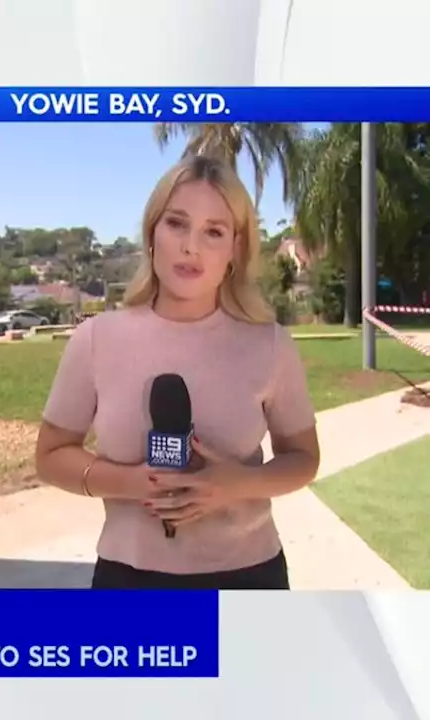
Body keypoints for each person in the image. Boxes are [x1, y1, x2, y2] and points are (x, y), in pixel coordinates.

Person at [33, 154, 321, 590]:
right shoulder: (95, 339)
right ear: (152, 233)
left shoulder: (271, 344)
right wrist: (130, 483)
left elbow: (304, 458)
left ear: (234, 250)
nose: (191, 246)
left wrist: (237, 484)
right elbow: (51, 457)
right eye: (177, 224)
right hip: (127, 580)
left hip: (251, 576)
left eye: (214, 232)